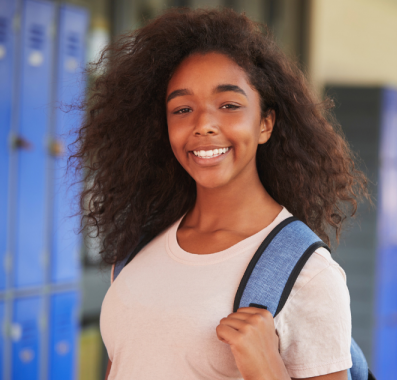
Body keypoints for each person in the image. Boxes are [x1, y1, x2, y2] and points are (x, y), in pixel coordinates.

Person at [72, 7, 368, 380]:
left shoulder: (307, 274)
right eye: (182, 109)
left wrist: (267, 370)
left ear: (265, 123)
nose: (203, 125)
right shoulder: (141, 245)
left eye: (229, 105)